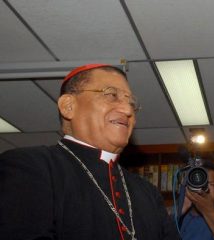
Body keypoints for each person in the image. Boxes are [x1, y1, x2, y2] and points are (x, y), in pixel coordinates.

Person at [0, 64, 180, 240]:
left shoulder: (147, 191)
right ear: (68, 106)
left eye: (131, 103)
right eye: (111, 95)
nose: (127, 110)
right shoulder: (30, 167)